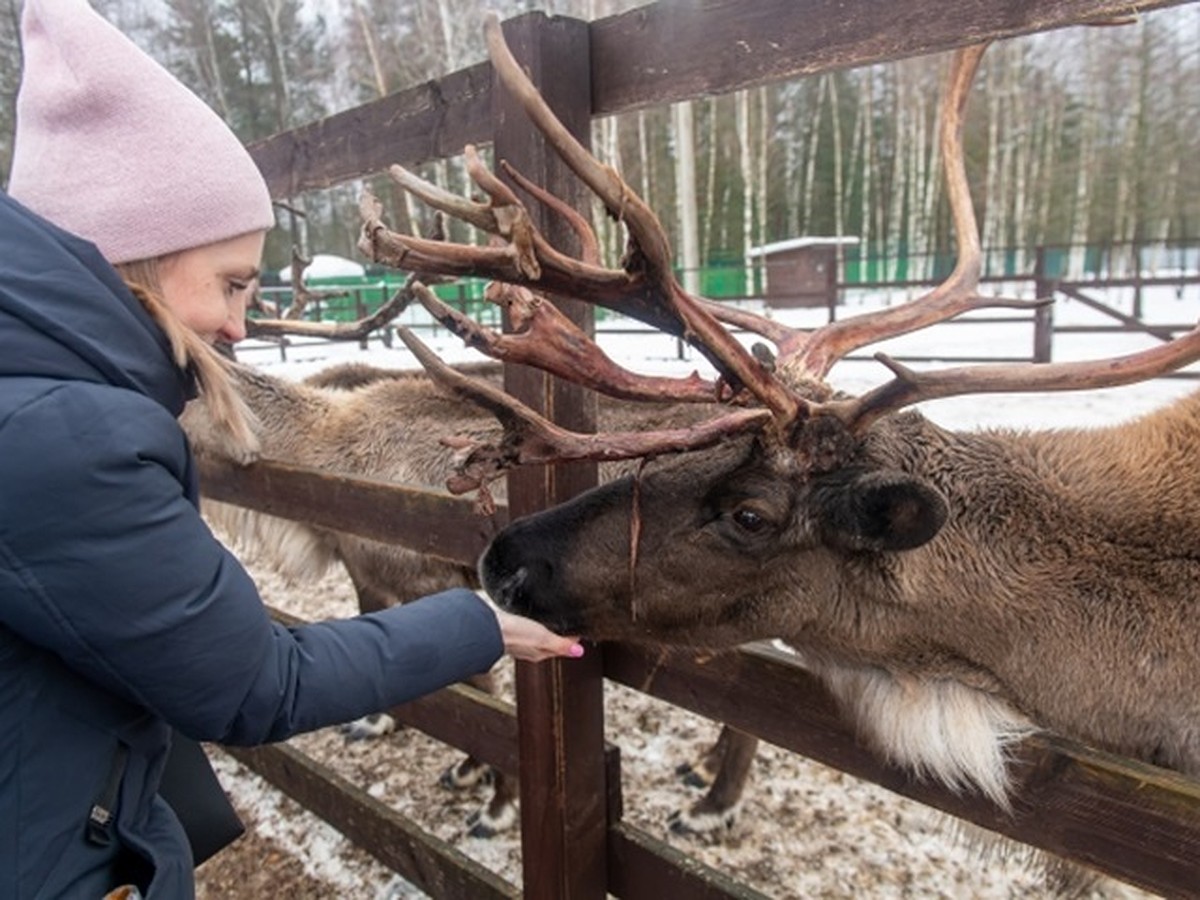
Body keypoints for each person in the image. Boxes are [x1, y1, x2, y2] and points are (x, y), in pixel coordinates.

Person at [0, 1, 582, 897]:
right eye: (232, 284)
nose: (241, 325)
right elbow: (251, 684)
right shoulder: (66, 436)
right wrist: (477, 625)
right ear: (137, 255)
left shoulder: (42, 394)